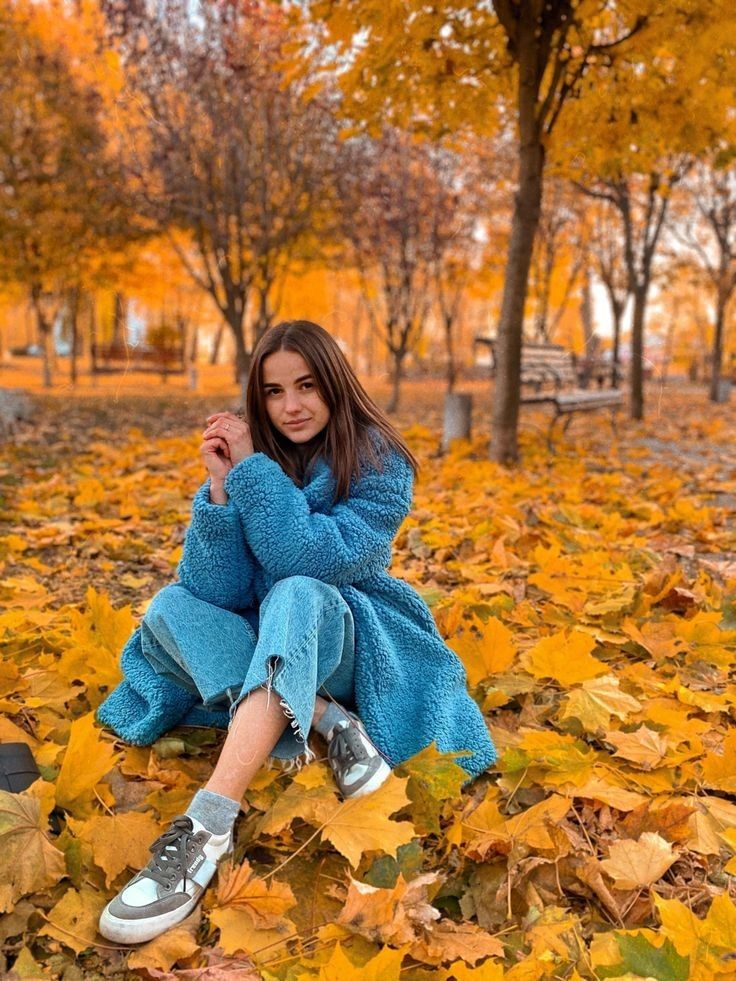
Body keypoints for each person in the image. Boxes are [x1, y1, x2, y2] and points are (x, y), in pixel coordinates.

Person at [96, 319, 496, 945]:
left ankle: (206, 829)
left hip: (348, 637)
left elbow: (311, 559)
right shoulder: (259, 459)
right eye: (275, 392)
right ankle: (328, 722)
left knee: (295, 591)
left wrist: (254, 474)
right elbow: (213, 593)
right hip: (270, 644)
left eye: (306, 386)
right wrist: (222, 492)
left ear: (334, 385)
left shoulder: (378, 462)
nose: (291, 406)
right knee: (171, 606)